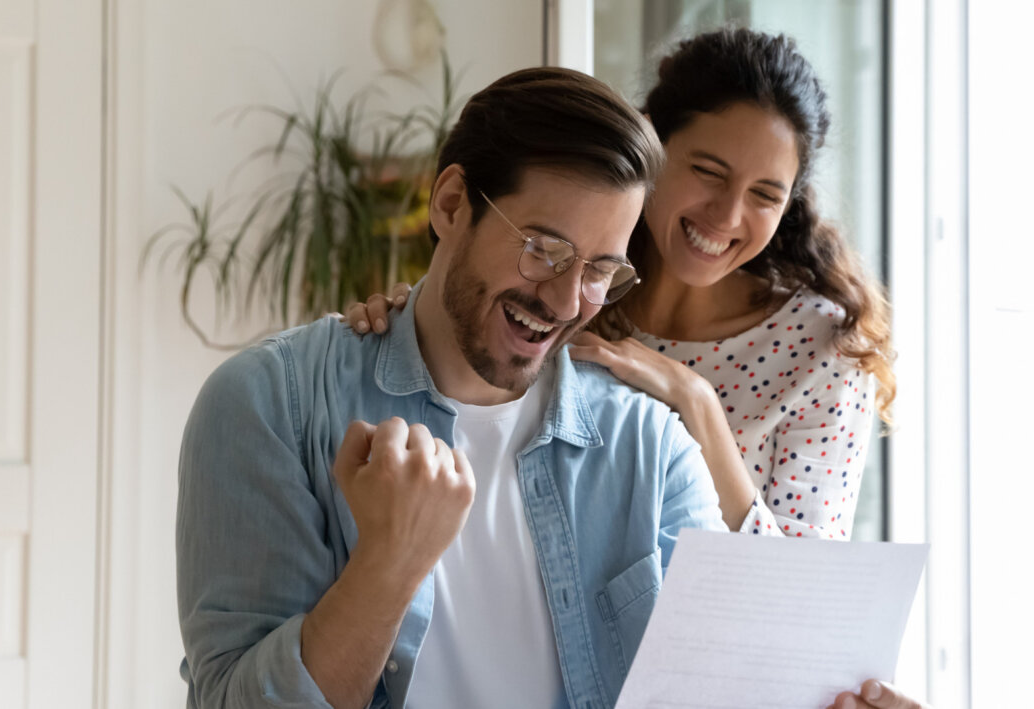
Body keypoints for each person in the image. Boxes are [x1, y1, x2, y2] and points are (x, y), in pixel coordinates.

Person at [344, 28, 927, 709]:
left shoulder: (823, 348)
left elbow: (802, 606)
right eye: (708, 172)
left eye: (765, 194)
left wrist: (698, 405)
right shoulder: (575, 296)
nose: (727, 215)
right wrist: (403, 315)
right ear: (653, 146)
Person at [176, 66, 727, 709]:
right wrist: (391, 561)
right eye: (544, 250)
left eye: (600, 271)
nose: (566, 301)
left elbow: (733, 680)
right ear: (451, 204)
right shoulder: (271, 405)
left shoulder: (651, 446)